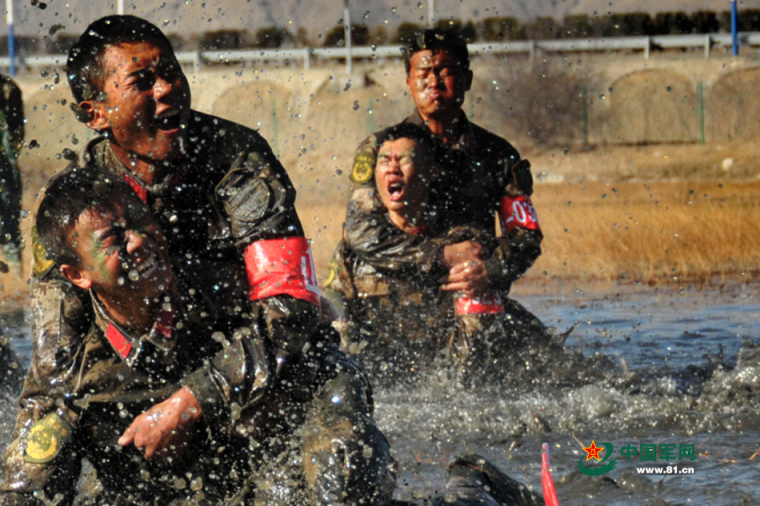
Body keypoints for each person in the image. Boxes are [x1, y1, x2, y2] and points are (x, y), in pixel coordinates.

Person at [21, 15, 395, 505]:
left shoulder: (237, 160)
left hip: (271, 379)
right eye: (142, 81)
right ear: (95, 113)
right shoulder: (75, 212)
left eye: (172, 71)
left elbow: (291, 309)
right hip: (148, 392)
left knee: (340, 466)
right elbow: (53, 371)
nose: (169, 89)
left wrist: (191, 401)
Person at [1, 169, 396, 505]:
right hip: (178, 486)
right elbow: (23, 483)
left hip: (274, 451)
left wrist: (195, 401)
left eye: (140, 221)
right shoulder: (69, 365)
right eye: (114, 240)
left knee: (342, 461)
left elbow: (315, 343)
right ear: (76, 275)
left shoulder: (225, 285)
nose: (139, 241)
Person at [340, 28, 546, 357]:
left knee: (550, 361)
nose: (433, 83)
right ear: (408, 81)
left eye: (446, 72)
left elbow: (525, 234)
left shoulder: (497, 154)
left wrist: (491, 270)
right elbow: (361, 233)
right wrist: (441, 255)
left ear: (467, 79)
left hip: (469, 291)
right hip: (390, 292)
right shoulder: (382, 148)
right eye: (422, 73)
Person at [327, 124, 522, 384]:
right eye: (384, 161)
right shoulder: (355, 251)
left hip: (450, 377)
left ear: (430, 173)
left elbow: (478, 340)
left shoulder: (462, 245)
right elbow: (337, 321)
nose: (392, 169)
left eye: (406, 160)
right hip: (385, 375)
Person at [0, 74, 24, 272]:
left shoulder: (8, 90)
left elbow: (17, 135)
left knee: (9, 218)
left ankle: (15, 273)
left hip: (4, 167)